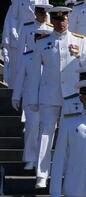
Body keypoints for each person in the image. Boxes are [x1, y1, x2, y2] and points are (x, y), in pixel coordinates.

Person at [24, 5, 86, 188]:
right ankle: (42, 174)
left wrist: (85, 93)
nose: (60, 23)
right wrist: (32, 98)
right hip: (49, 94)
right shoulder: (42, 42)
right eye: (57, 20)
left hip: (73, 95)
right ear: (51, 21)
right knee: (46, 133)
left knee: (73, 133)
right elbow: (35, 74)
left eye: (63, 19)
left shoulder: (80, 40)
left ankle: (71, 172)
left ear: (68, 20)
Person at [11, 27, 53, 171]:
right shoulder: (27, 56)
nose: (39, 42)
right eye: (37, 39)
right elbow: (20, 78)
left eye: (42, 39)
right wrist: (16, 96)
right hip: (31, 99)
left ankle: (41, 161)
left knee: (45, 132)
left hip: (49, 98)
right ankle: (30, 158)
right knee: (31, 129)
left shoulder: (52, 55)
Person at [2, 0, 48, 88]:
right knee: (17, 67)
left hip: (37, 38)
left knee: (37, 68)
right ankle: (15, 92)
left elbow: (47, 21)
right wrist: (13, 31)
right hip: (19, 37)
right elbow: (12, 17)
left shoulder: (43, 0)